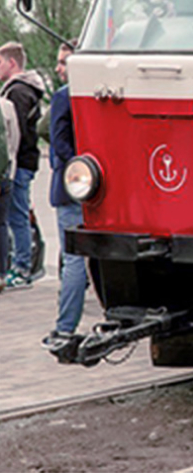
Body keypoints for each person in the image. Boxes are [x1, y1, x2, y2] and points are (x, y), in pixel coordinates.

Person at [43, 43, 87, 351]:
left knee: (73, 260)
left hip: (72, 188)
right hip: (99, 186)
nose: (58, 68)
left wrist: (75, 171)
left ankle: (65, 326)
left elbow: (58, 142)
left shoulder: (64, 97)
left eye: (63, 62)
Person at [0, 42, 46, 289]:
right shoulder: (27, 90)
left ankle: (21, 267)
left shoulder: (17, 93)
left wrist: (10, 162)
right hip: (25, 161)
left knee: (16, 215)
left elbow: (13, 133)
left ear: (12, 63)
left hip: (18, 162)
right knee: (18, 212)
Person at [0, 89, 18, 293]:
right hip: (5, 173)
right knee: (2, 224)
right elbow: (15, 140)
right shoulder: (6, 106)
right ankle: (2, 273)